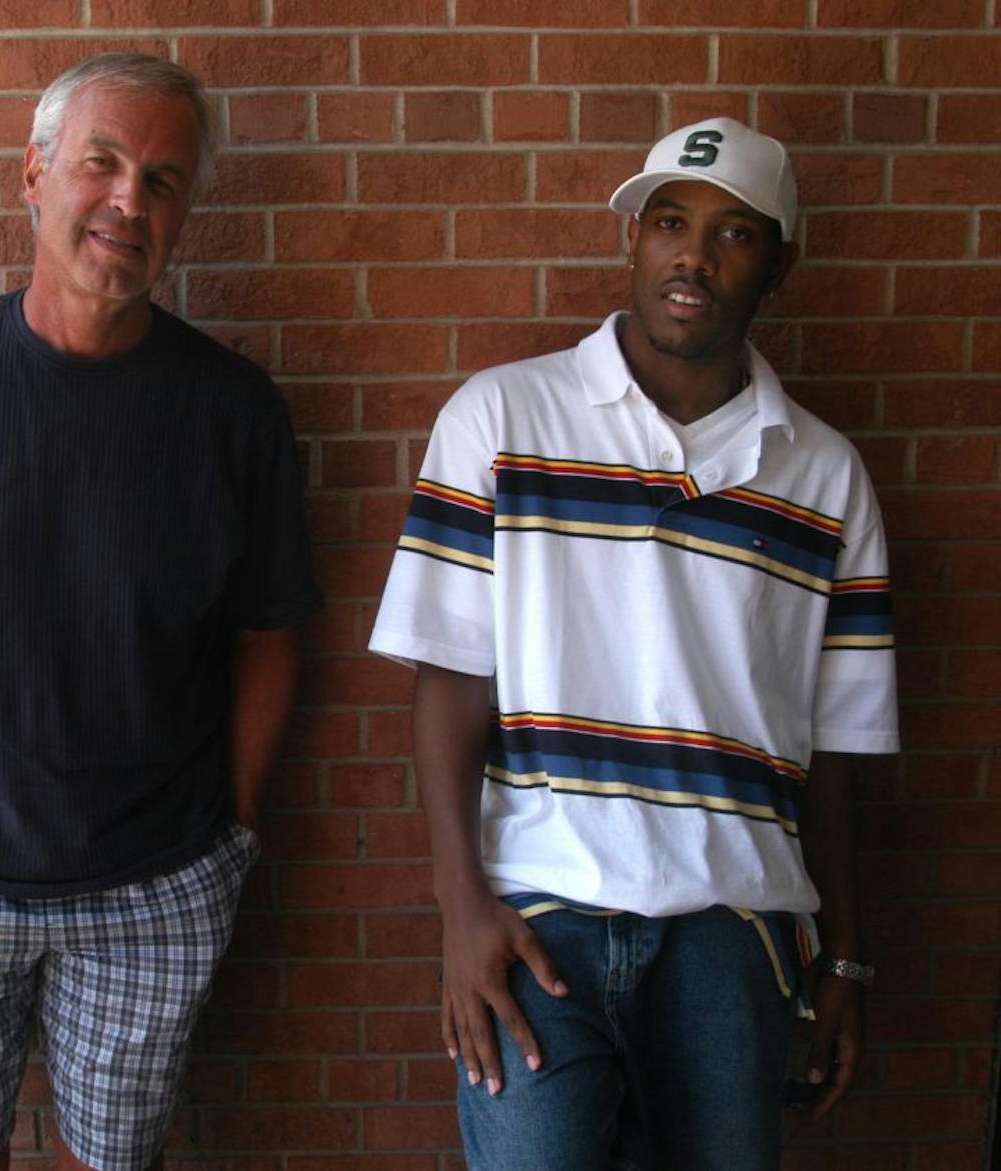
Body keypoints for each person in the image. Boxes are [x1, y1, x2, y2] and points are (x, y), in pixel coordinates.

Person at [0, 53, 320, 1171]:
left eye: (165, 181)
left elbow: (268, 633)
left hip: (151, 886)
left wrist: (229, 827)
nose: (131, 200)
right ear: (34, 176)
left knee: (121, 1158)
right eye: (103, 162)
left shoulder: (233, 414)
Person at [369, 118, 897, 1170]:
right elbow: (449, 680)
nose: (691, 256)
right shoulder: (501, 417)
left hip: (730, 926)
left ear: (777, 264)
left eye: (732, 233)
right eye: (668, 221)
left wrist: (843, 959)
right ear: (632, 241)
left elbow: (831, 749)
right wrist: (458, 905)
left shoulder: (825, 478)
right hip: (535, 919)